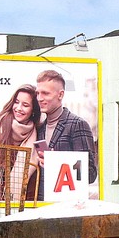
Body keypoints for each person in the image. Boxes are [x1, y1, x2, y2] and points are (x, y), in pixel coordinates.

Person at [28, 69, 98, 199]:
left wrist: (56, 162)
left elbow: (90, 174)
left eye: (45, 93)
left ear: (60, 95)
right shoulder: (40, 129)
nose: (39, 98)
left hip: (67, 208)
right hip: (43, 206)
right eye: (38, 93)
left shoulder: (77, 124)